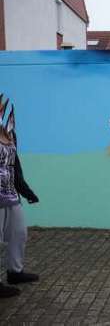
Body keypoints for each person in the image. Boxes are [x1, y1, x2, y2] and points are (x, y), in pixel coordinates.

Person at [0, 100, 39, 299]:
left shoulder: (11, 135)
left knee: (19, 233)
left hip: (11, 195)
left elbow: (15, 167)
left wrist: (26, 191)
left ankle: (15, 273)